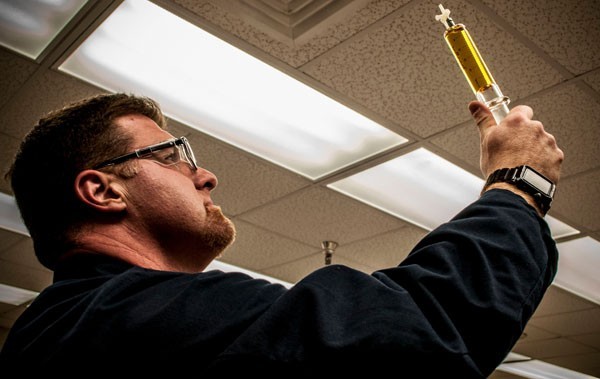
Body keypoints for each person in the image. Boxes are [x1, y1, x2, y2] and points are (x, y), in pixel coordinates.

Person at [0, 93, 563, 377]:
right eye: (172, 155)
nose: (205, 174)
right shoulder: (136, 320)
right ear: (103, 191)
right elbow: (427, 331)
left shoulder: (47, 333)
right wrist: (518, 184)